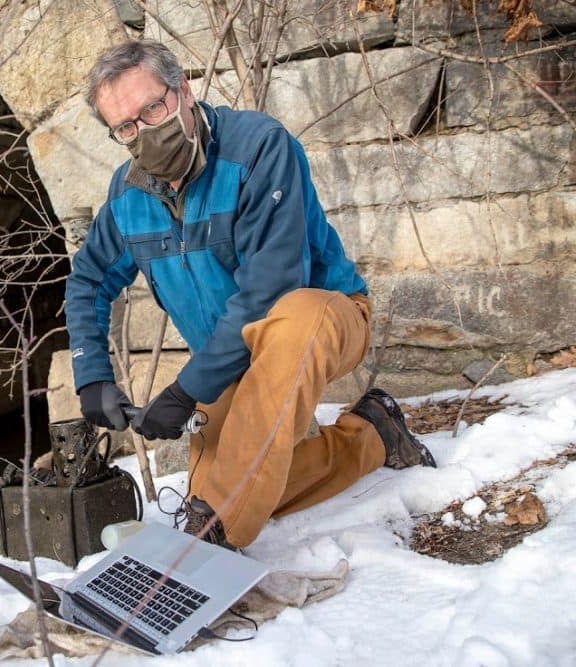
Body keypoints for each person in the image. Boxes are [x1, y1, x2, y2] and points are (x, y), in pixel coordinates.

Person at [64, 40, 436, 550]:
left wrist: (186, 390)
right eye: (126, 127)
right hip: (232, 361)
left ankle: (210, 543)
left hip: (325, 318)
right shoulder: (126, 196)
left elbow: (270, 290)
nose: (145, 131)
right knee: (223, 484)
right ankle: (373, 436)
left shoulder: (259, 147)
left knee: (293, 318)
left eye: (153, 108)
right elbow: (88, 279)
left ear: (184, 91)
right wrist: (92, 378)